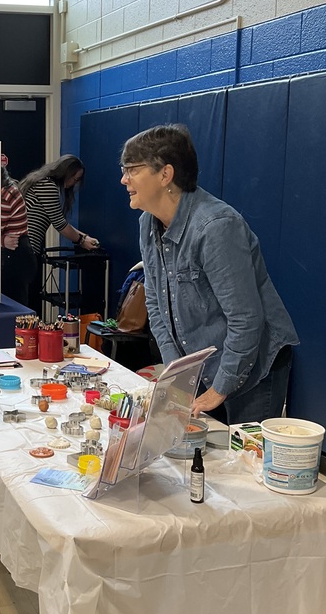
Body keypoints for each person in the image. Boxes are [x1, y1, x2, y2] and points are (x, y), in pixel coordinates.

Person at [120, 123, 298, 424]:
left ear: (165, 174)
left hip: (252, 366)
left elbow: (246, 319)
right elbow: (156, 304)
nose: (124, 179)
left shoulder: (215, 227)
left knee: (243, 465)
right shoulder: (146, 225)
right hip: (205, 365)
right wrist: (178, 373)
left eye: (132, 169)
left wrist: (220, 388)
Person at [18, 154, 101, 313]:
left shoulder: (40, 182)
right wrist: (82, 240)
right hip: (26, 250)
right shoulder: (47, 186)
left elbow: (60, 221)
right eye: (76, 179)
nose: (74, 184)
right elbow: (60, 224)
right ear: (67, 173)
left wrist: (83, 237)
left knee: (27, 301)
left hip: (25, 249)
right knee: (28, 303)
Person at [0, 155, 36, 306]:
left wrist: (0, 240)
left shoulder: (4, 195)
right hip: (19, 255)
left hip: (14, 258)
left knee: (13, 310)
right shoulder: (9, 188)